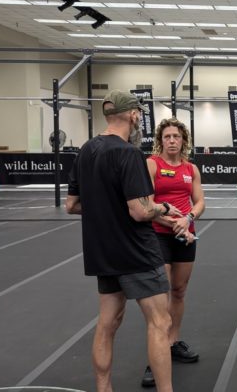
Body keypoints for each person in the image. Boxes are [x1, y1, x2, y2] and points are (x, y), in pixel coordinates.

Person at [66, 90, 183, 392]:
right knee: (160, 323)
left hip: (103, 252)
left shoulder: (86, 151)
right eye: (139, 115)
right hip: (136, 252)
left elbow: (73, 205)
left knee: (107, 323)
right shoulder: (128, 153)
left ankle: (104, 389)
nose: (139, 119)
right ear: (132, 116)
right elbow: (140, 211)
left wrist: (108, 208)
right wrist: (163, 208)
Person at [140, 118, 206, 387]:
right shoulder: (153, 164)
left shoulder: (191, 168)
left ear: (183, 140)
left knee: (179, 291)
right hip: (158, 234)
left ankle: (172, 342)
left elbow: (200, 201)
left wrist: (187, 218)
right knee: (161, 294)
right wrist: (173, 223)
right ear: (161, 140)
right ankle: (156, 357)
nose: (171, 140)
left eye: (175, 136)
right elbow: (146, 202)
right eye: (166, 136)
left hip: (185, 234)